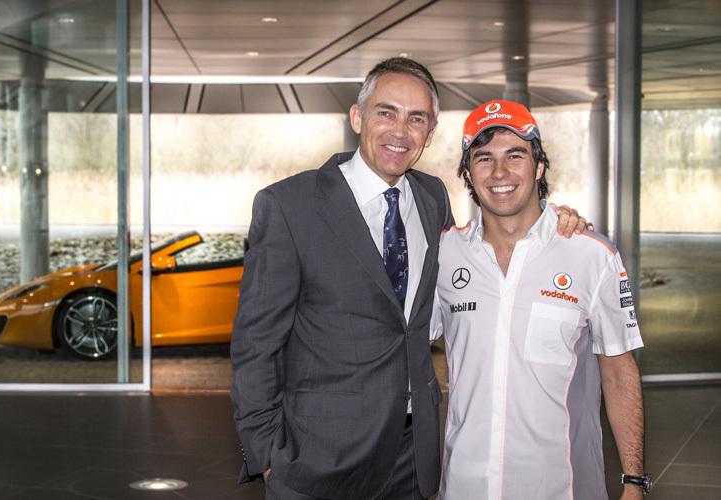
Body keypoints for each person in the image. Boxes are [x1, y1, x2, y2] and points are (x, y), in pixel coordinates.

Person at [230, 58, 586, 500]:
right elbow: (256, 344)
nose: (400, 131)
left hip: (412, 459)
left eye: (416, 118)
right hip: (317, 462)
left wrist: (554, 222)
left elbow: (475, 259)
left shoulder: (432, 196)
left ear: (430, 132)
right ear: (358, 117)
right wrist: (265, 455)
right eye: (386, 112)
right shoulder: (289, 205)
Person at [430, 100, 648, 499]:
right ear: (468, 172)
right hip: (464, 486)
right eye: (484, 158)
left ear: (539, 166)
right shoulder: (444, 253)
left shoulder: (591, 255)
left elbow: (619, 371)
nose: (499, 173)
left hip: (560, 487)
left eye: (515, 156)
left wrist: (634, 481)